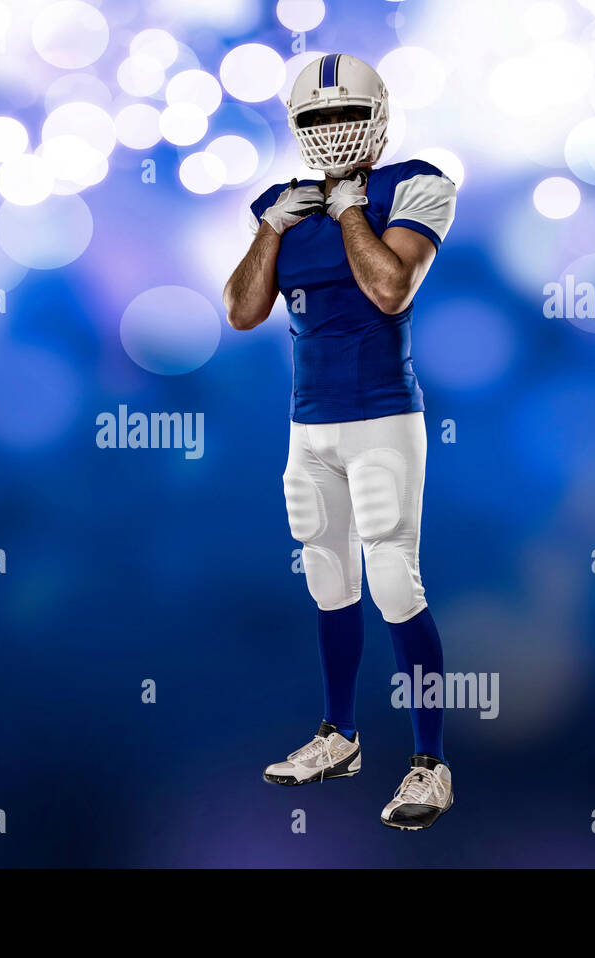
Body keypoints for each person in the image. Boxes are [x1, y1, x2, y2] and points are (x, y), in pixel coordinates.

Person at [222, 54, 458, 830]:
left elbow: (390, 287)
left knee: (396, 582)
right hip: (308, 422)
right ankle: (340, 736)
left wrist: (351, 211)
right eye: (316, 119)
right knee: (326, 576)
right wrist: (269, 227)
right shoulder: (280, 204)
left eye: (343, 114)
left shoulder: (416, 185)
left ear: (380, 115)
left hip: (384, 414)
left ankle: (430, 765)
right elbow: (242, 310)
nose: (332, 131)